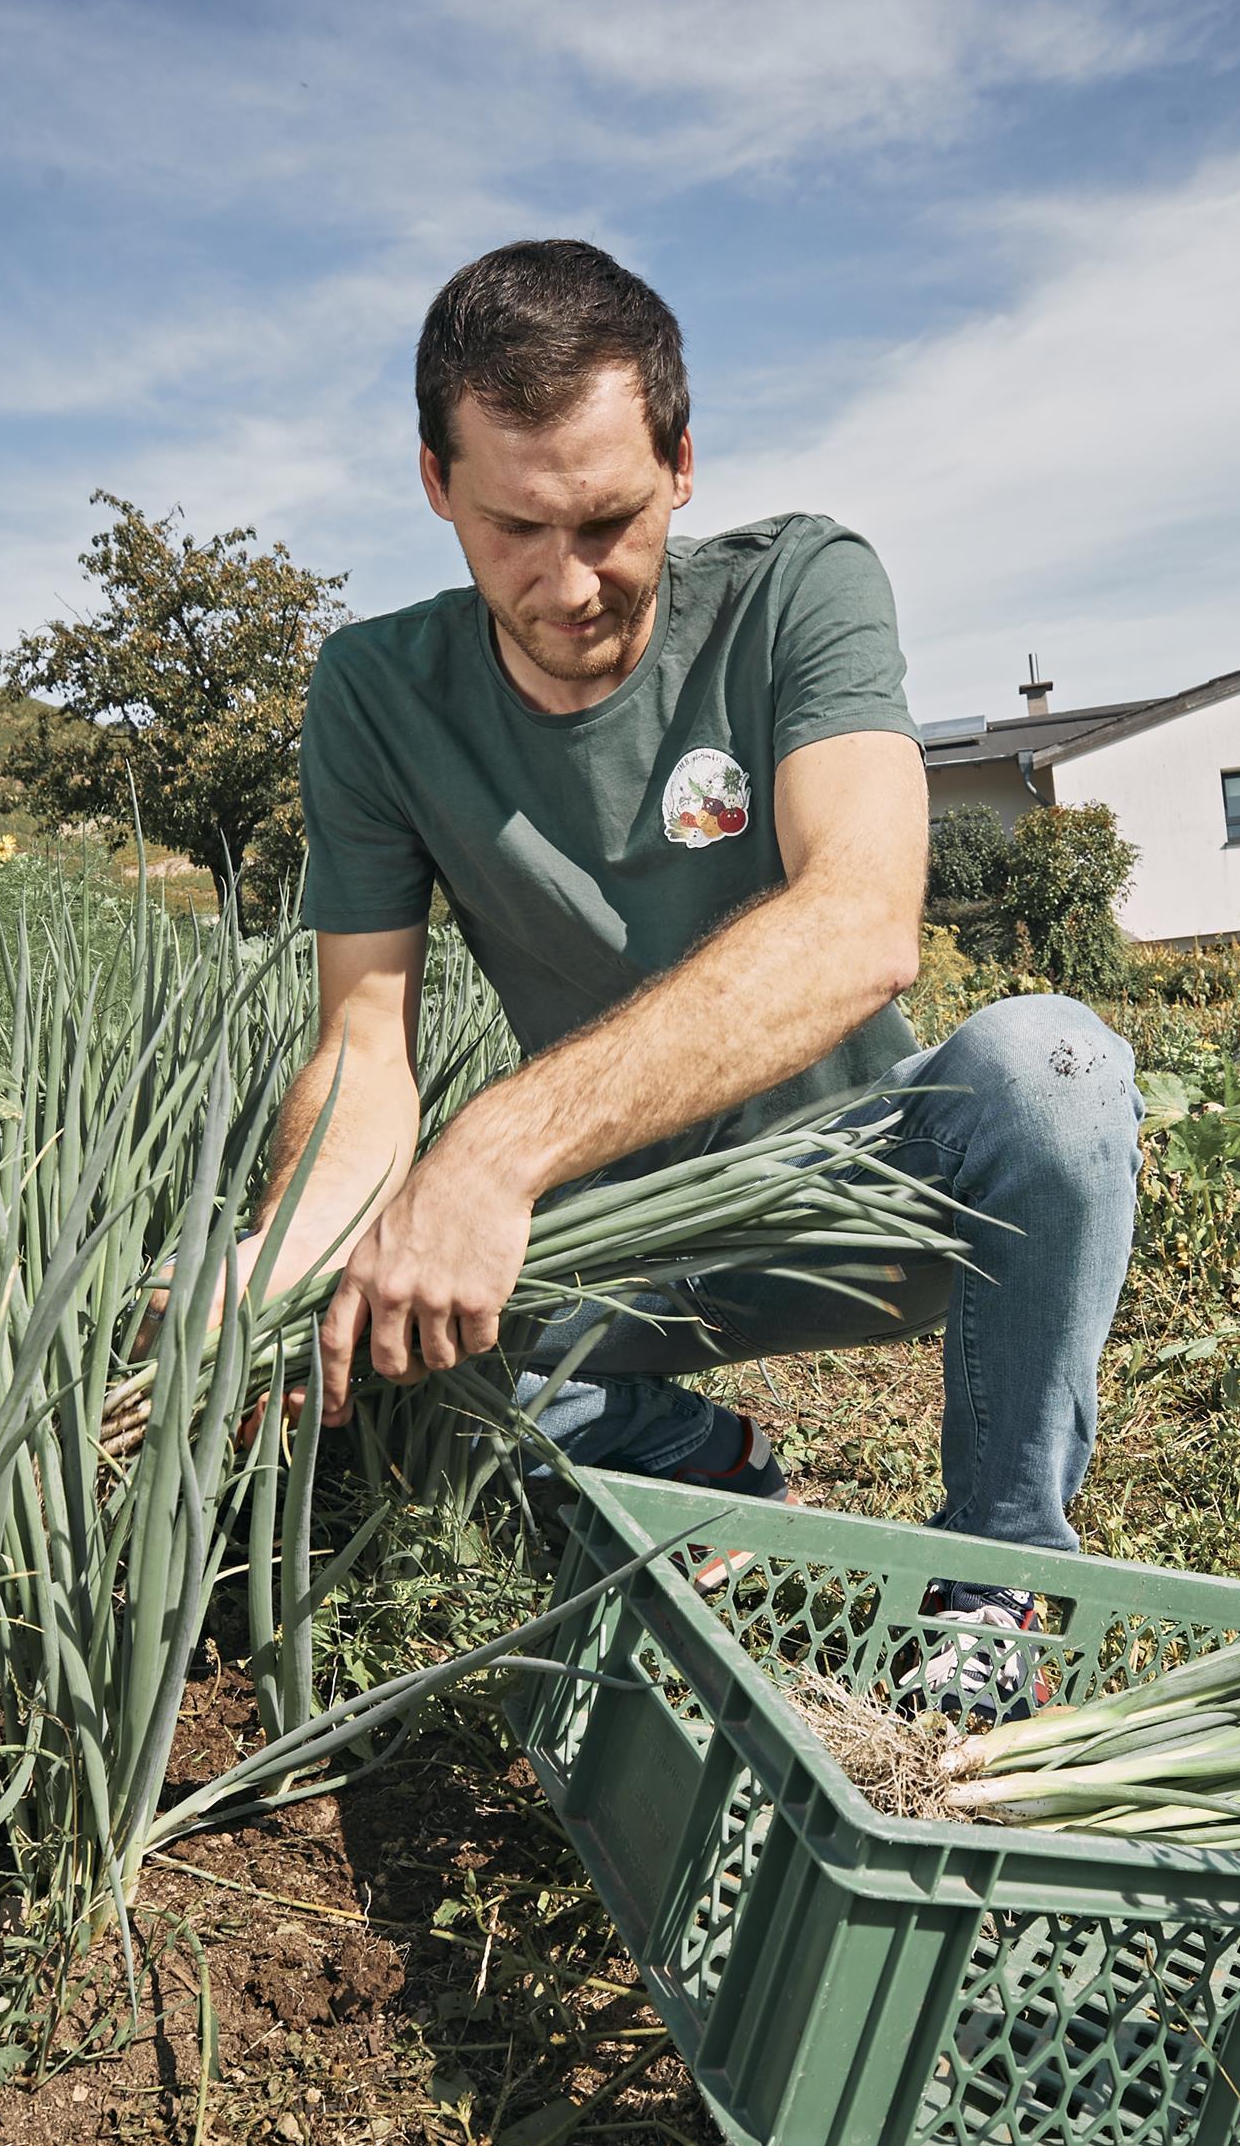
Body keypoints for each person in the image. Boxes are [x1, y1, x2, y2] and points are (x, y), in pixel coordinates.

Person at [246, 237, 1138, 1636]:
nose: (568, 583)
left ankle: (994, 1586)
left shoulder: (799, 589)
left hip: (869, 1204)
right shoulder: (374, 693)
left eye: (606, 520)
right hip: (613, 1252)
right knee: (384, 1327)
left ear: (679, 462)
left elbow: (859, 928)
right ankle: (689, 1455)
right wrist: (290, 1250)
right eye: (512, 531)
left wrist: (491, 1148)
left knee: (1052, 1066)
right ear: (437, 487)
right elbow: (363, 1043)